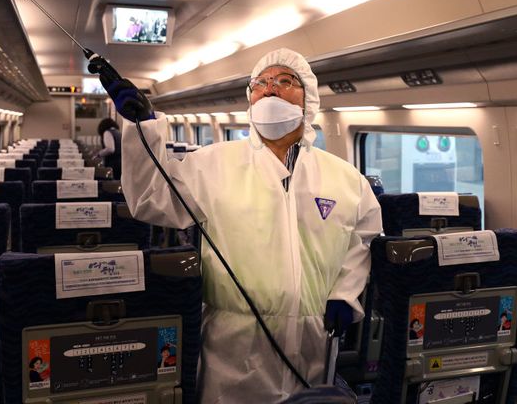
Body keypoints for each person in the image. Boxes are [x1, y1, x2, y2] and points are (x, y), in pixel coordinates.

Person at [97, 48, 382, 403]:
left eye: (284, 81)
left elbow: (364, 237)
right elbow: (149, 200)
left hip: (315, 341)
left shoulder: (345, 178)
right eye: (259, 83)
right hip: (233, 346)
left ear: (308, 97)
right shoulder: (213, 164)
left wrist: (344, 293)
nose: (270, 89)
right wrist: (144, 128)